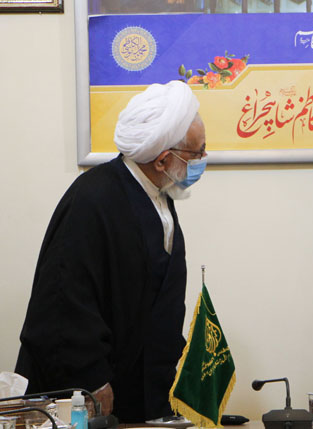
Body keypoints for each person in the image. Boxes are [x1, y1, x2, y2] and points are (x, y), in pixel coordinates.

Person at [15, 81, 208, 422]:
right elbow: (65, 301)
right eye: (197, 154)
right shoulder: (94, 198)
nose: (203, 161)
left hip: (142, 390)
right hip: (87, 393)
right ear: (163, 160)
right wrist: (93, 380)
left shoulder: (158, 196)